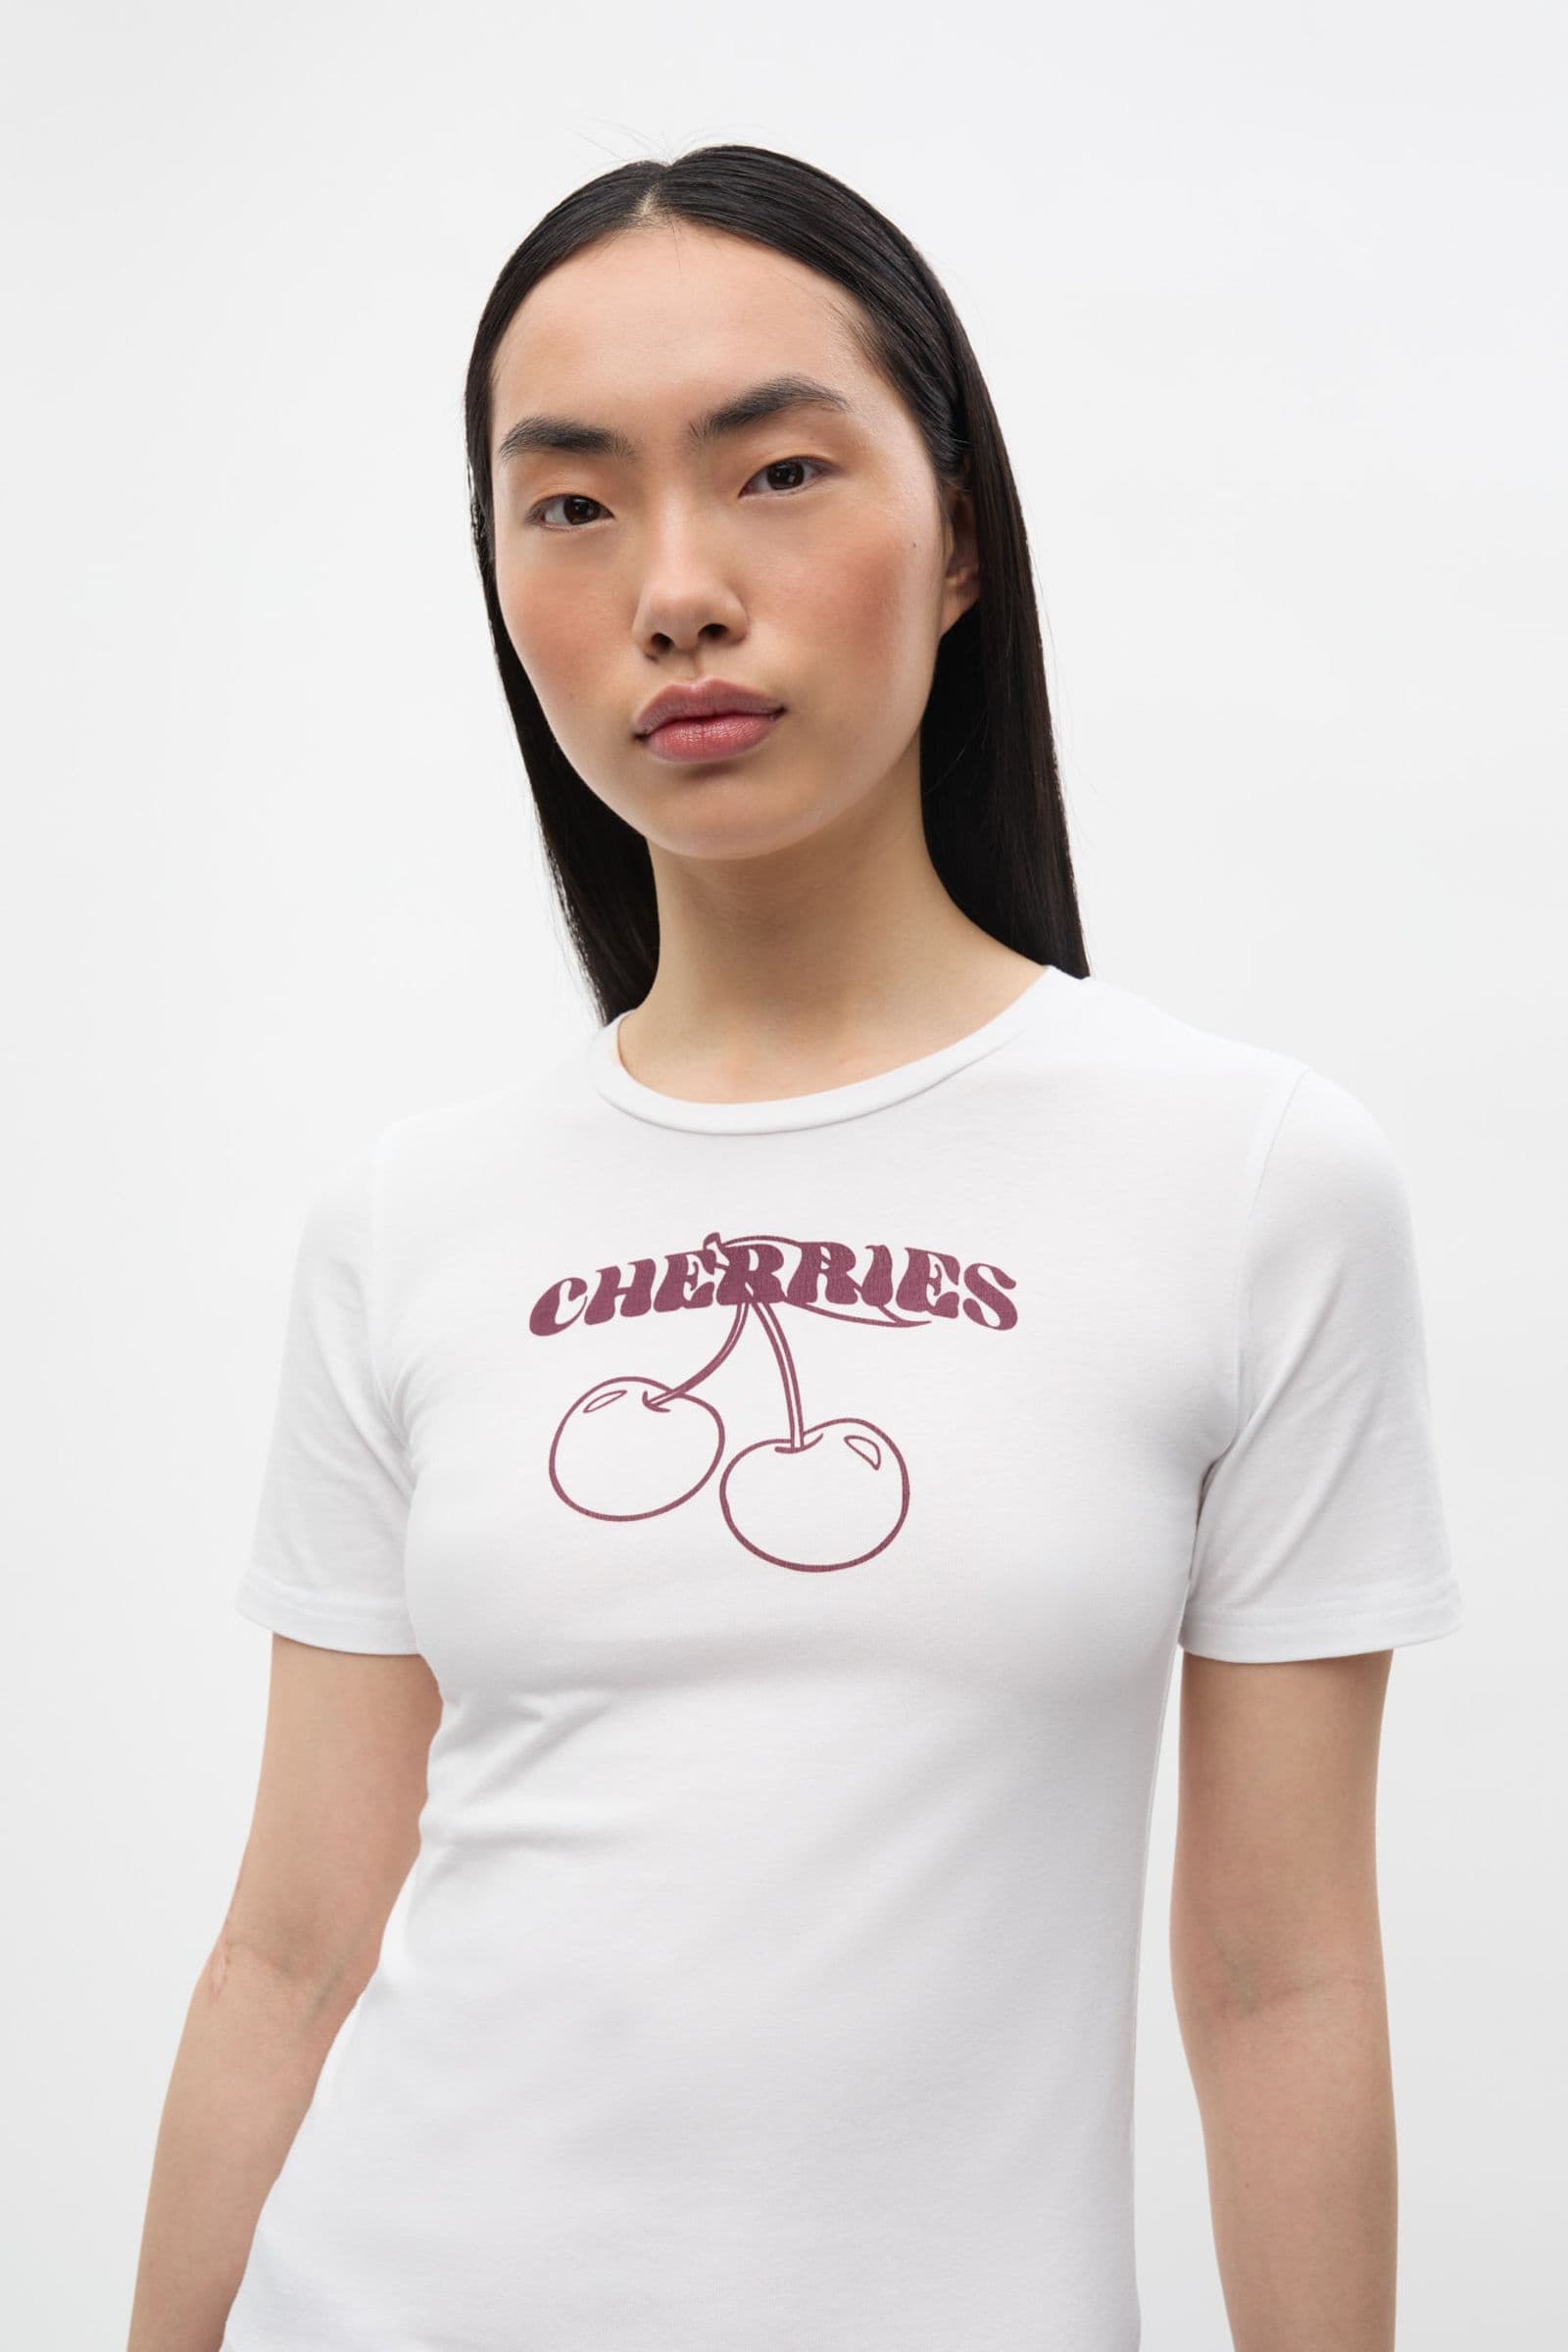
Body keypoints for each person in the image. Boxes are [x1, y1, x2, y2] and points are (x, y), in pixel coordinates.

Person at [127, 144, 1464, 2352]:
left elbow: (1277, 1976)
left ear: (958, 537)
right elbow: (290, 1950)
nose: (674, 591)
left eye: (774, 473)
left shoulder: (1246, 1181)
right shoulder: (407, 1221)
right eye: (570, 503)